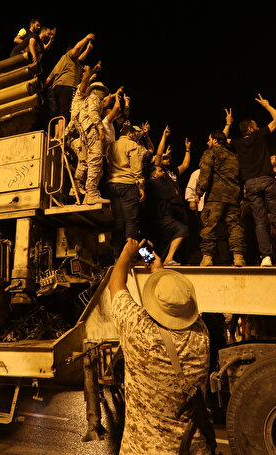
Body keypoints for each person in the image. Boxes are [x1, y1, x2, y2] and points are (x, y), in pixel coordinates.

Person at [109, 238, 211, 454]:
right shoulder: (202, 335)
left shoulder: (139, 330)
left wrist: (126, 255)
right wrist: (158, 269)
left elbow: (115, 284)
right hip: (191, 447)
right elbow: (173, 303)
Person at [230, 95, 276, 267]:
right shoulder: (259, 135)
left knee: (260, 221)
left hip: (250, 184)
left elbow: (221, 139)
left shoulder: (237, 143)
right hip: (267, 180)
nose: (257, 126)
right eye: (255, 124)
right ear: (251, 129)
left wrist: (228, 123)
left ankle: (265, 257)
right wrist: (267, 105)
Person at [195, 121, 246, 267]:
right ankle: (238, 257)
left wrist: (199, 192)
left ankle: (207, 258)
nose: (207, 142)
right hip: (233, 197)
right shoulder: (234, 156)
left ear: (215, 140)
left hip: (216, 197)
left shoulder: (210, 153)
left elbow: (205, 174)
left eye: (209, 139)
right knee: (235, 226)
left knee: (209, 225)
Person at [44, 32, 96, 137]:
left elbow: (49, 79)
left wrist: (41, 89)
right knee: (65, 113)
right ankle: (63, 136)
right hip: (67, 87)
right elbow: (77, 49)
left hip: (56, 88)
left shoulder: (63, 61)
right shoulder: (70, 56)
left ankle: (57, 136)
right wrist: (86, 38)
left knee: (59, 114)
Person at [105, 122, 146, 255]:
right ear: (130, 133)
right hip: (127, 184)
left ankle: (117, 257)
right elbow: (136, 168)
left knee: (118, 222)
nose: (136, 136)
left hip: (112, 184)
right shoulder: (132, 145)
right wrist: (141, 186)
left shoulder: (111, 146)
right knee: (131, 221)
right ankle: (131, 256)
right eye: (135, 134)